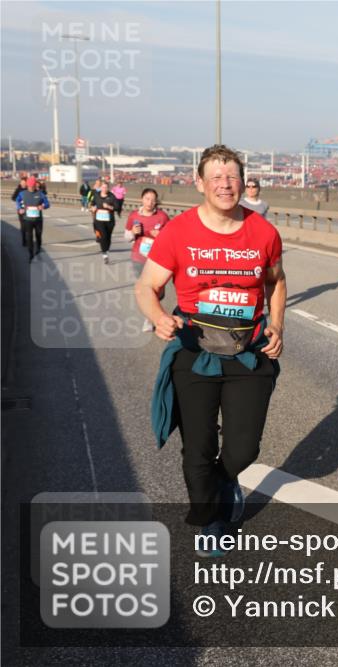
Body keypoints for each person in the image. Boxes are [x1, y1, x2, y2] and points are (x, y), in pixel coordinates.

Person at [136, 144, 285, 557]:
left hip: (247, 353)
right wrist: (159, 316)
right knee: (198, 447)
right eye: (216, 177)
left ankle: (226, 478)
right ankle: (210, 520)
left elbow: (276, 281)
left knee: (243, 449)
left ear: (243, 181)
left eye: (232, 176)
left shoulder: (264, 232)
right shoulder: (179, 231)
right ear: (200, 183)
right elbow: (147, 286)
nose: (226, 184)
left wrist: (277, 325)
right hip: (194, 353)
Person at [124, 188, 171, 332]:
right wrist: (133, 233)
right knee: (145, 288)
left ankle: (152, 312)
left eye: (152, 199)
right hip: (139, 257)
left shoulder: (162, 217)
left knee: (159, 291)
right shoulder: (133, 216)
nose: (150, 202)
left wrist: (161, 235)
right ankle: (149, 319)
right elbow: (127, 237)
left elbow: (171, 238)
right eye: (147, 199)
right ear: (142, 199)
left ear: (156, 201)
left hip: (158, 259)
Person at [15, 177, 50, 262]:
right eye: (29, 186)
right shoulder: (22, 194)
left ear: (35, 185)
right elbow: (17, 201)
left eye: (32, 186)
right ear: (27, 185)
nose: (31, 187)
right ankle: (30, 254)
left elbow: (47, 204)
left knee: (38, 235)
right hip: (27, 220)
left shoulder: (40, 193)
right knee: (29, 237)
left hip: (38, 220)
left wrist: (43, 206)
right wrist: (19, 208)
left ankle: (38, 248)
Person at [90, 180, 118, 264]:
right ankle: (104, 253)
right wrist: (92, 208)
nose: (104, 189)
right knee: (103, 236)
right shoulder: (96, 195)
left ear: (108, 188)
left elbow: (116, 207)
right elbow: (92, 203)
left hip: (109, 220)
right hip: (99, 220)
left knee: (108, 237)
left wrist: (109, 206)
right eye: (103, 187)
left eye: (106, 187)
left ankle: (106, 249)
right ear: (100, 187)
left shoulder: (112, 196)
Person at [10, 176, 28, 247]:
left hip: (28, 210)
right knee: (23, 226)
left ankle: (28, 238)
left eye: (24, 182)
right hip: (20, 210)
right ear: (20, 183)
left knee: (28, 226)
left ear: (26, 183)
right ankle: (24, 240)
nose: (23, 184)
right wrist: (19, 201)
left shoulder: (28, 189)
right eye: (22, 182)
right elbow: (13, 198)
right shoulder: (18, 189)